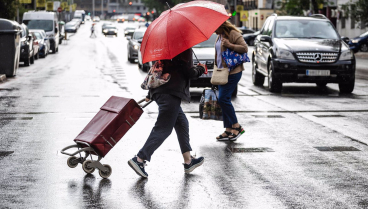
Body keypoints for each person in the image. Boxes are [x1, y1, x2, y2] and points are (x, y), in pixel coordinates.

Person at [128, 48, 206, 178]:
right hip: (170, 94)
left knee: (182, 123)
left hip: (160, 91)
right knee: (163, 129)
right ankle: (140, 159)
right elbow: (188, 72)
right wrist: (201, 69)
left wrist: (150, 93)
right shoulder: (184, 48)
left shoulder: (165, 47)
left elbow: (160, 68)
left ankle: (188, 161)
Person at [214, 21, 248, 141]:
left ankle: (237, 126)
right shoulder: (219, 36)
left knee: (223, 98)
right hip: (222, 73)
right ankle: (228, 129)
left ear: (221, 25)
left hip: (233, 72)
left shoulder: (233, 34)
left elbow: (245, 48)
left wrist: (230, 45)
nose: (213, 31)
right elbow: (218, 55)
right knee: (223, 100)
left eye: (215, 27)